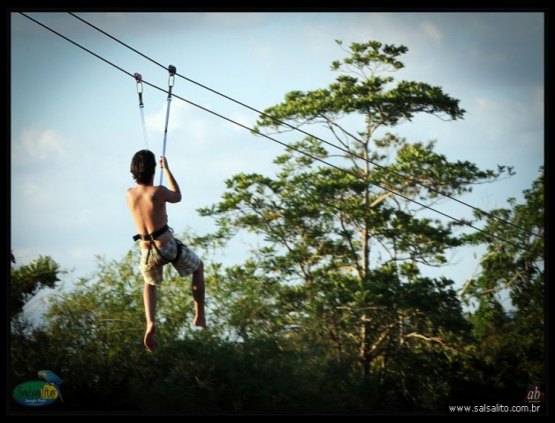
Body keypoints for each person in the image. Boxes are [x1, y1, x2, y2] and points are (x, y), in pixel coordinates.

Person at [127, 149, 206, 352]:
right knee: (198, 268)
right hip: (166, 247)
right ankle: (199, 315)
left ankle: (150, 322)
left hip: (146, 252)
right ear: (153, 169)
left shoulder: (129, 195)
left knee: (149, 283)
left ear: (134, 171)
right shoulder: (158, 191)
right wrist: (167, 169)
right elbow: (177, 196)